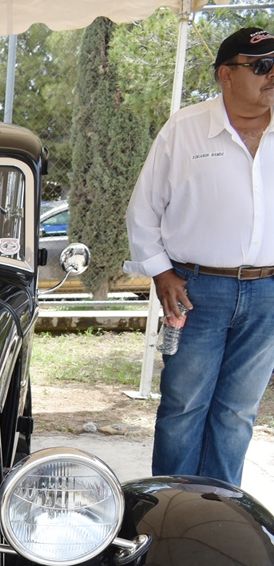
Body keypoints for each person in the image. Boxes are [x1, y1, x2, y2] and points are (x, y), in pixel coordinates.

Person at [125, 26, 274, 486]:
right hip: (194, 289)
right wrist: (161, 273)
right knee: (184, 407)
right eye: (262, 66)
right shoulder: (185, 129)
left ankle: (220, 516)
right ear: (226, 75)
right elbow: (143, 209)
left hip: (267, 292)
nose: (273, 76)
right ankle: (171, 516)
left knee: (238, 412)